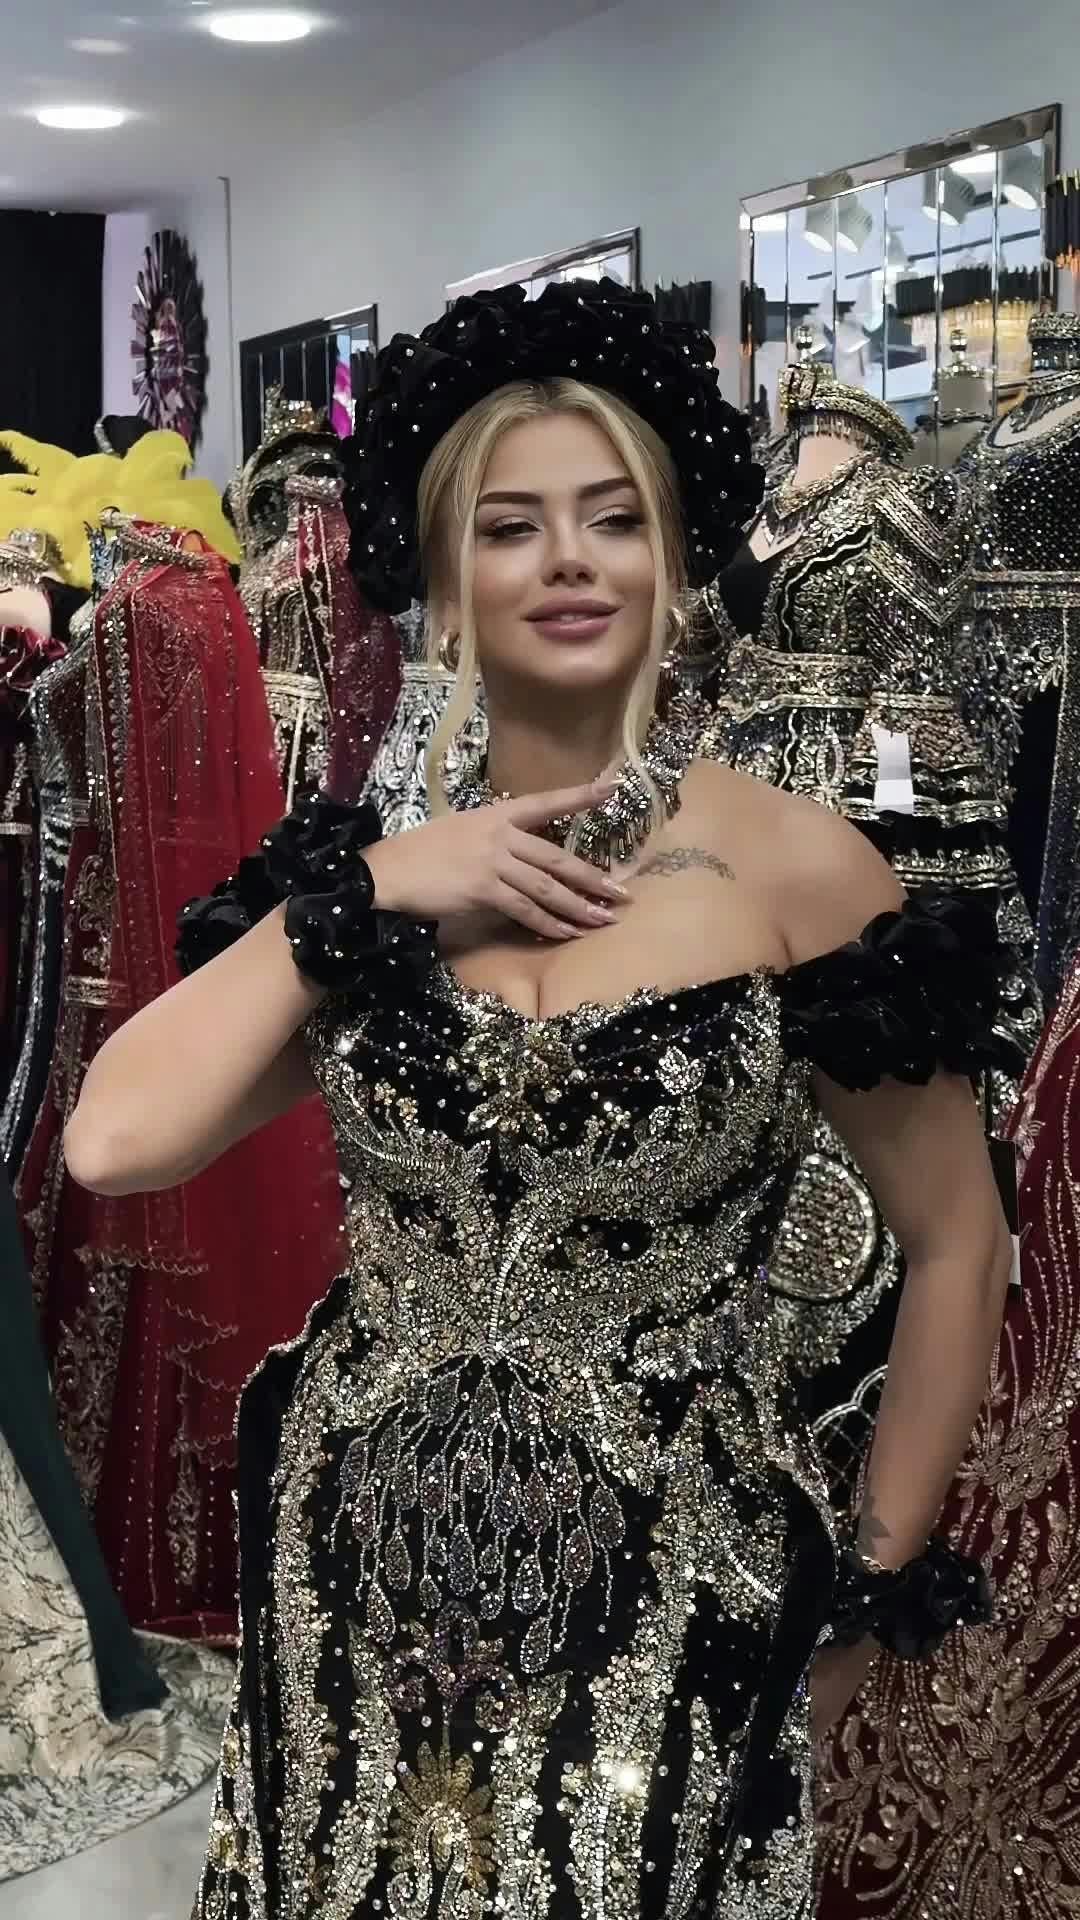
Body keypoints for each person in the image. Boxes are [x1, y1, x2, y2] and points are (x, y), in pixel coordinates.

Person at [66, 281, 1015, 1919]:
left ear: (675, 559)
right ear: (443, 580)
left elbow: (956, 1241)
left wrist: (870, 1584)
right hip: (352, 1574)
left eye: (614, 519)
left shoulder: (799, 868)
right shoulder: (358, 890)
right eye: (512, 527)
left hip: (676, 1587)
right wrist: (388, 882)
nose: (571, 561)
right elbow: (114, 1139)